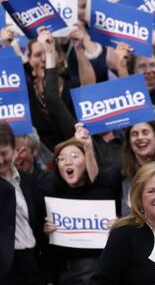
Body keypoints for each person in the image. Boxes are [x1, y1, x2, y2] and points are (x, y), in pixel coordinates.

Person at [42, 123, 122, 285]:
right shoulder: (51, 193)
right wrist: (45, 231)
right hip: (68, 274)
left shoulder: (106, 186)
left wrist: (121, 226)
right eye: (61, 158)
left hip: (104, 271)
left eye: (74, 156)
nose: (67, 162)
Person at [0, 122, 47, 285]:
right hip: (6, 268)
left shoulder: (28, 181)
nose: (0, 160)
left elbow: (40, 221)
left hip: (34, 262)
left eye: (4, 153)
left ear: (14, 150)